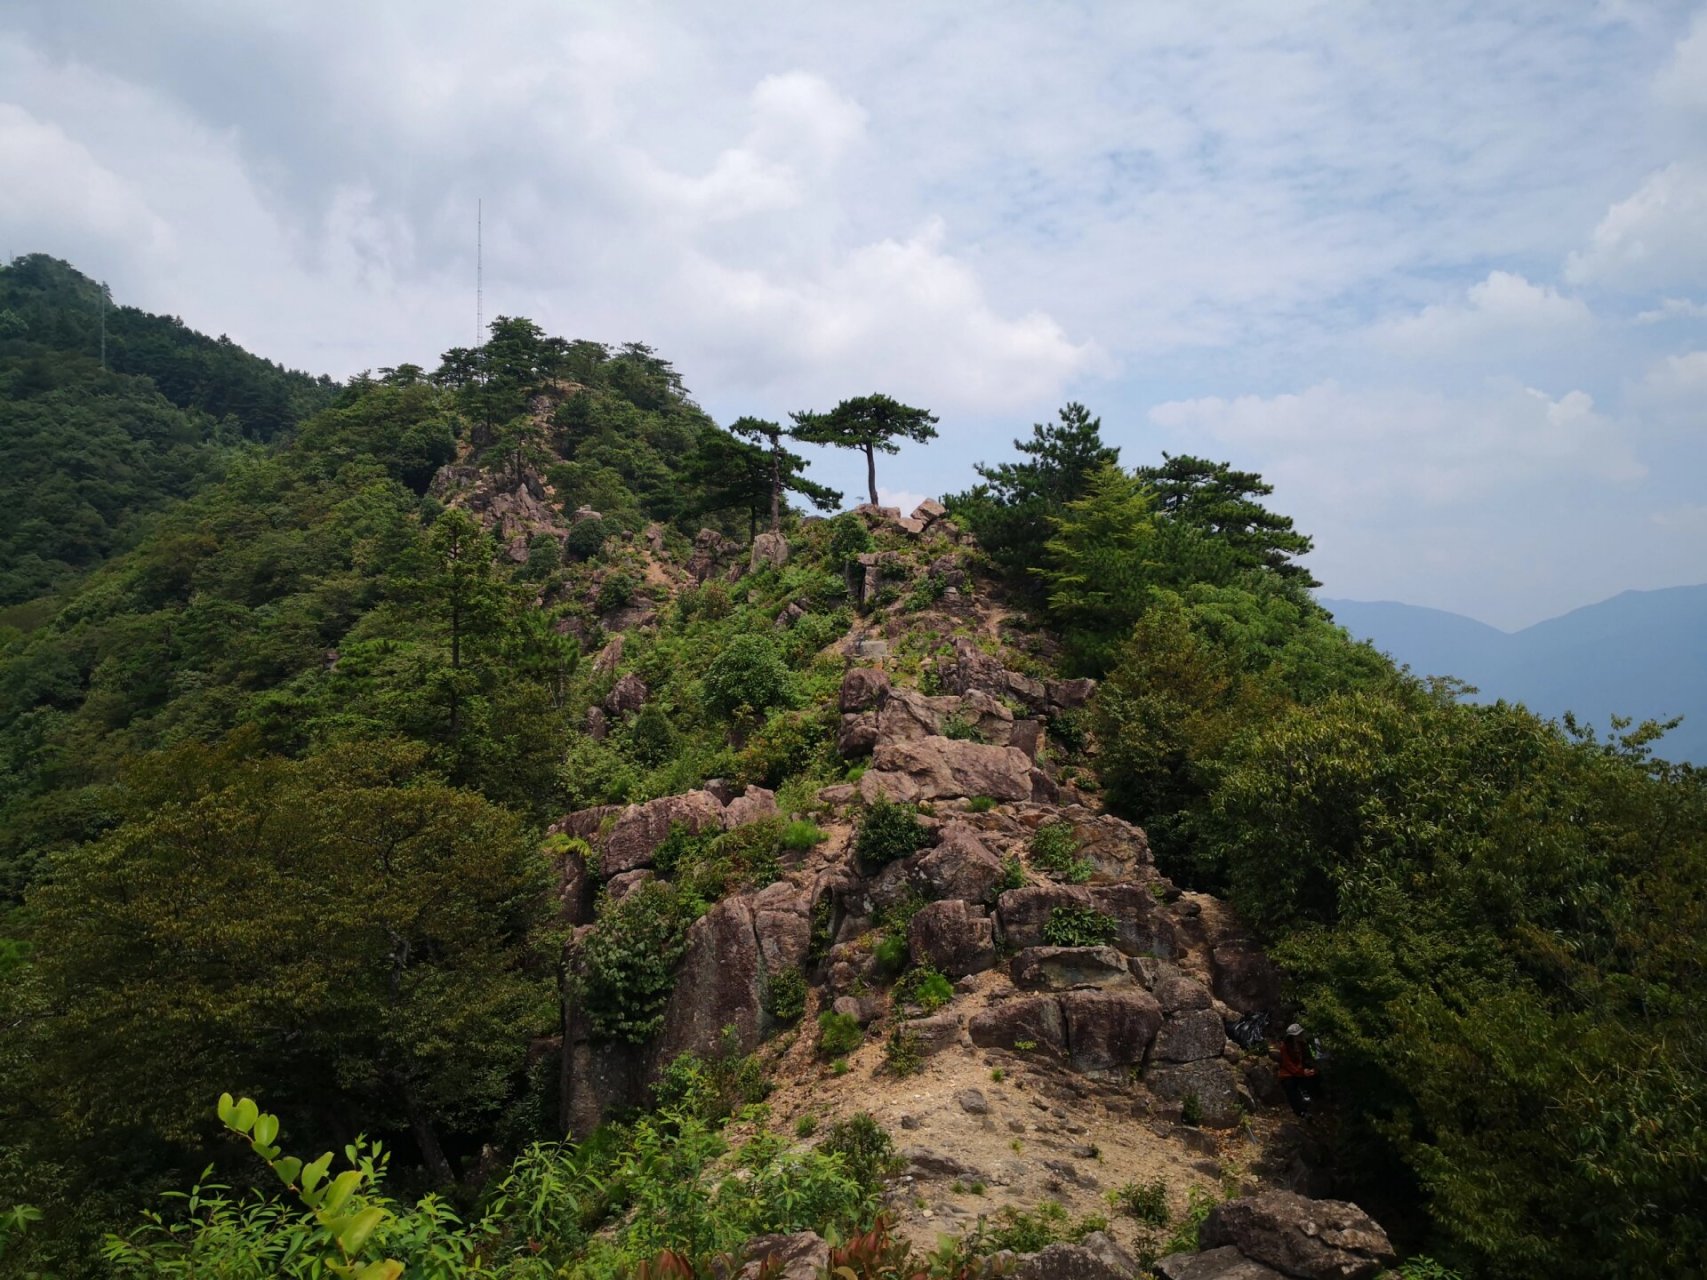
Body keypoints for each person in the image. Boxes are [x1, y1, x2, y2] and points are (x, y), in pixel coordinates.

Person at [1275, 1022, 1317, 1118]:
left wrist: (1311, 1069)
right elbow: (1287, 1063)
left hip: (1301, 1071)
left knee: (1312, 1081)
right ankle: (1300, 1111)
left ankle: (1310, 1103)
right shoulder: (1285, 1046)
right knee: (1290, 1086)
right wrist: (1301, 1072)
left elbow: (1308, 1058)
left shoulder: (1303, 1044)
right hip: (1289, 1073)